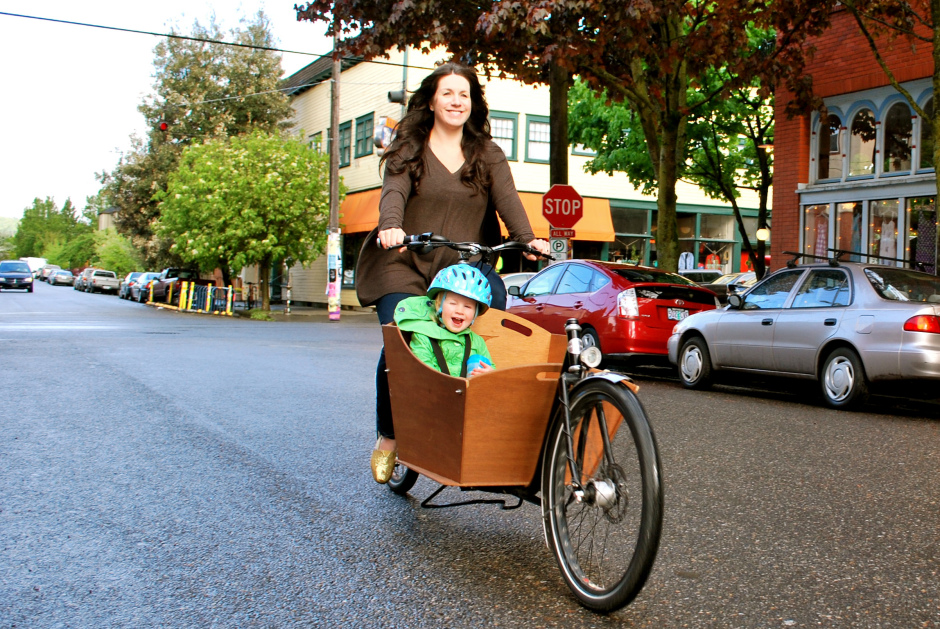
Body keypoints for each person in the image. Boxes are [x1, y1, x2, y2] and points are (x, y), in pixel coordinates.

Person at [355, 61, 549, 484]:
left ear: (473, 103)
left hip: (461, 266)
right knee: (401, 337)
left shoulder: (487, 154)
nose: (456, 101)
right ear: (431, 100)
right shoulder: (409, 147)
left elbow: (509, 201)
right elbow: (394, 194)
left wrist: (527, 238)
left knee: (492, 322)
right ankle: (389, 435)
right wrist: (391, 227)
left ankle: (478, 423)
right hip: (404, 261)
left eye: (464, 94)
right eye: (448, 93)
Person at [394, 265, 495, 381]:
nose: (460, 311)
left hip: (469, 395)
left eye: (468, 306)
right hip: (434, 395)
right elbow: (423, 371)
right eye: (453, 303)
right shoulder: (423, 336)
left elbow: (490, 369)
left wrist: (489, 374)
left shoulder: (477, 342)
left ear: (475, 313)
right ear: (439, 305)